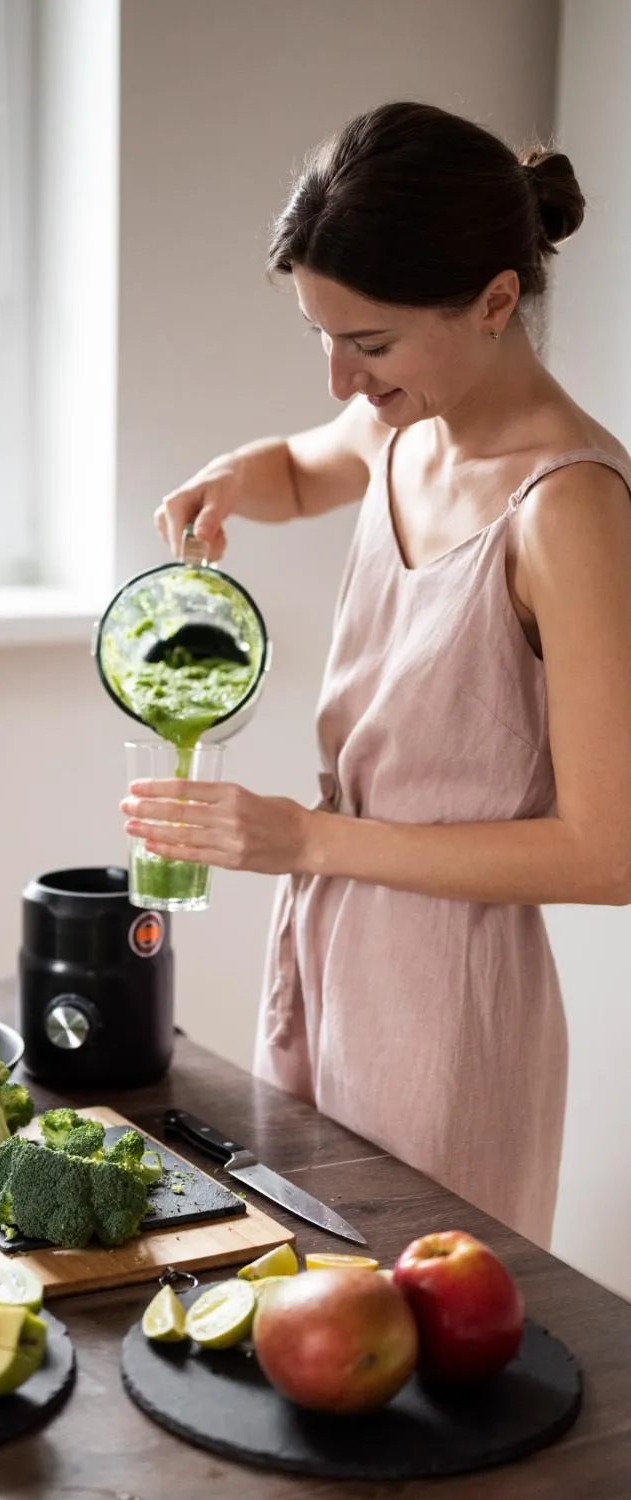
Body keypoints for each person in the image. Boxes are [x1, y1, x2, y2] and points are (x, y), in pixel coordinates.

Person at [120, 101, 631, 1248]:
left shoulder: (570, 513)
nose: (343, 379)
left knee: (407, 1343)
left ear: (496, 300)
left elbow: (609, 854)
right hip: (322, 947)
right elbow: (306, 467)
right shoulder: (409, 426)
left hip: (447, 1008)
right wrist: (231, 478)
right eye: (321, 334)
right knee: (301, 1291)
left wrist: (300, 840)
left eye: (371, 343)